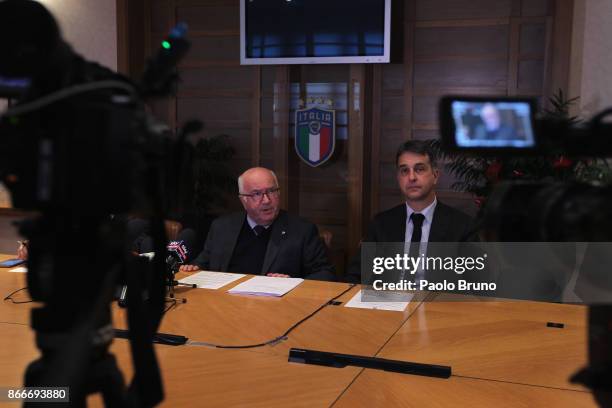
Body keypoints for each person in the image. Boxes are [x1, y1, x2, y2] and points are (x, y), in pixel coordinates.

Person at [345, 140, 476, 283]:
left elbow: (475, 286)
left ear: (435, 176)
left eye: (419, 169)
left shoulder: (462, 227)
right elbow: (355, 276)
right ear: (398, 178)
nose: (411, 177)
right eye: (404, 170)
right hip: (387, 302)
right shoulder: (381, 224)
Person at [180, 167, 335, 281]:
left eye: (271, 191)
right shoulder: (222, 227)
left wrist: (292, 282)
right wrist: (193, 268)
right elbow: (203, 263)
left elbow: (325, 274)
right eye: (257, 194)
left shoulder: (302, 230)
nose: (267, 200)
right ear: (243, 200)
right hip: (226, 306)